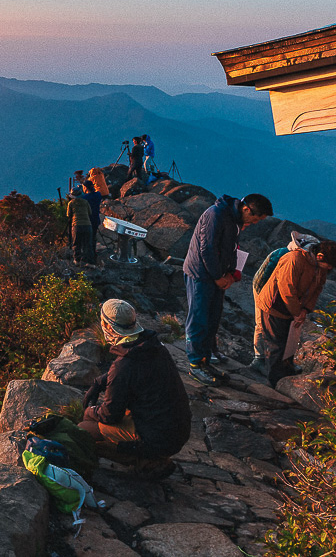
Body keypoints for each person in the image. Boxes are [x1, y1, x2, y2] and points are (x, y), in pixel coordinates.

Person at [78, 299, 192, 477]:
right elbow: (134, 373)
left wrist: (91, 411)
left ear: (108, 327)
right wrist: (101, 381)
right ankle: (150, 455)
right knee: (94, 419)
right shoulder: (154, 346)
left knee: (84, 429)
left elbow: (110, 414)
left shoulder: (124, 365)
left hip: (157, 438)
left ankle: (148, 461)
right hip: (176, 430)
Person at [183, 192, 273, 384]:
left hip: (217, 276)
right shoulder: (216, 215)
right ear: (246, 209)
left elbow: (231, 248)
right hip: (201, 274)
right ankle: (195, 364)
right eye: (255, 218)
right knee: (198, 318)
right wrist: (217, 276)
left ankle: (205, 360)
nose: (255, 223)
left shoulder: (235, 220)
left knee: (212, 319)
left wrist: (231, 274)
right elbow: (206, 249)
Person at [255, 239, 336, 387]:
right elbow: (286, 290)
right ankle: (274, 381)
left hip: (293, 309)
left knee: (289, 343)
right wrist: (297, 312)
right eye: (329, 265)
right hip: (274, 305)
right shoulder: (294, 259)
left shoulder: (321, 268)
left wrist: (305, 310)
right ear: (319, 256)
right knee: (276, 344)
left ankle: (286, 371)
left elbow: (317, 289)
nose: (329, 269)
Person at [250, 231, 320, 371]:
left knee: (284, 328)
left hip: (275, 294)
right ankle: (259, 359)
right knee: (261, 324)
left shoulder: (297, 258)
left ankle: (281, 360)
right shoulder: (285, 256)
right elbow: (266, 279)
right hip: (263, 290)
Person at [67, 181, 99, 264]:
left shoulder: (71, 203)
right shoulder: (86, 201)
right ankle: (90, 261)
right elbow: (90, 212)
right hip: (88, 224)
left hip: (76, 225)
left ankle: (77, 260)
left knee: (76, 243)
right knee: (88, 244)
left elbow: (69, 215)